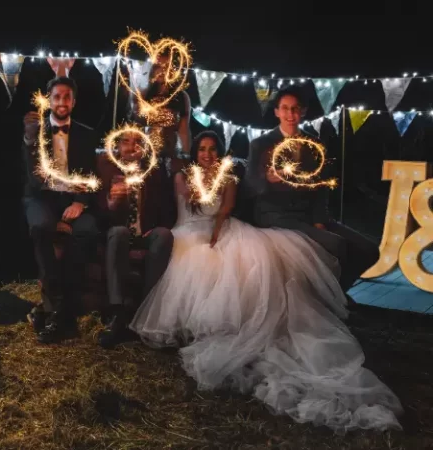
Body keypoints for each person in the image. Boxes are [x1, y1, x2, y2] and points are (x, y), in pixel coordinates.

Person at [129, 131, 403, 433]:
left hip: (222, 228)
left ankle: (245, 325)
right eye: (202, 149)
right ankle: (197, 324)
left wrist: (217, 233)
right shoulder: (183, 176)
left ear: (219, 152)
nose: (207, 154)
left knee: (246, 261)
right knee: (194, 263)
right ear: (196, 152)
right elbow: (190, 203)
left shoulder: (229, 177)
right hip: (188, 230)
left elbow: (225, 209)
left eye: (212, 149)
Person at [244, 86, 380, 296]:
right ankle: (329, 297)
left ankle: (337, 294)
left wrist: (319, 219)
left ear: (303, 111)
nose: (290, 114)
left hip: (308, 214)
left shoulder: (315, 145)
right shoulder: (260, 144)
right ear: (277, 112)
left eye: (295, 109)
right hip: (275, 215)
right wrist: (266, 179)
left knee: (369, 250)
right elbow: (249, 185)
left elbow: (321, 188)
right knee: (336, 245)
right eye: (285, 108)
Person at [22, 76, 99, 344]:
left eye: (67, 97)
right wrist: (31, 141)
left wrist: (80, 202)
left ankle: (58, 308)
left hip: (72, 199)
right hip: (41, 198)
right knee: (41, 226)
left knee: (87, 230)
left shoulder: (87, 134)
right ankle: (59, 307)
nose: (61, 102)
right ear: (49, 100)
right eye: (56, 96)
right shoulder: (36, 133)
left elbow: (91, 176)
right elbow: (31, 181)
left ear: (74, 102)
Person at [96, 131, 175, 348]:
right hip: (118, 234)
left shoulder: (154, 173)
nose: (132, 147)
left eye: (138, 142)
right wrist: (111, 204)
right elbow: (97, 214)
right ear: (118, 147)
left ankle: (146, 310)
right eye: (125, 142)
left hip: (145, 234)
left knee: (164, 235)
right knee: (118, 232)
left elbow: (168, 209)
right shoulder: (107, 170)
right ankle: (117, 314)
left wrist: (156, 227)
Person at [128, 56, 191, 158]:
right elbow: (136, 126)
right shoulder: (143, 94)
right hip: (147, 151)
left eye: (166, 66)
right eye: (158, 66)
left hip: (172, 150)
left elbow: (183, 131)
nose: (162, 70)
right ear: (153, 70)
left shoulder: (182, 97)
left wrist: (185, 155)